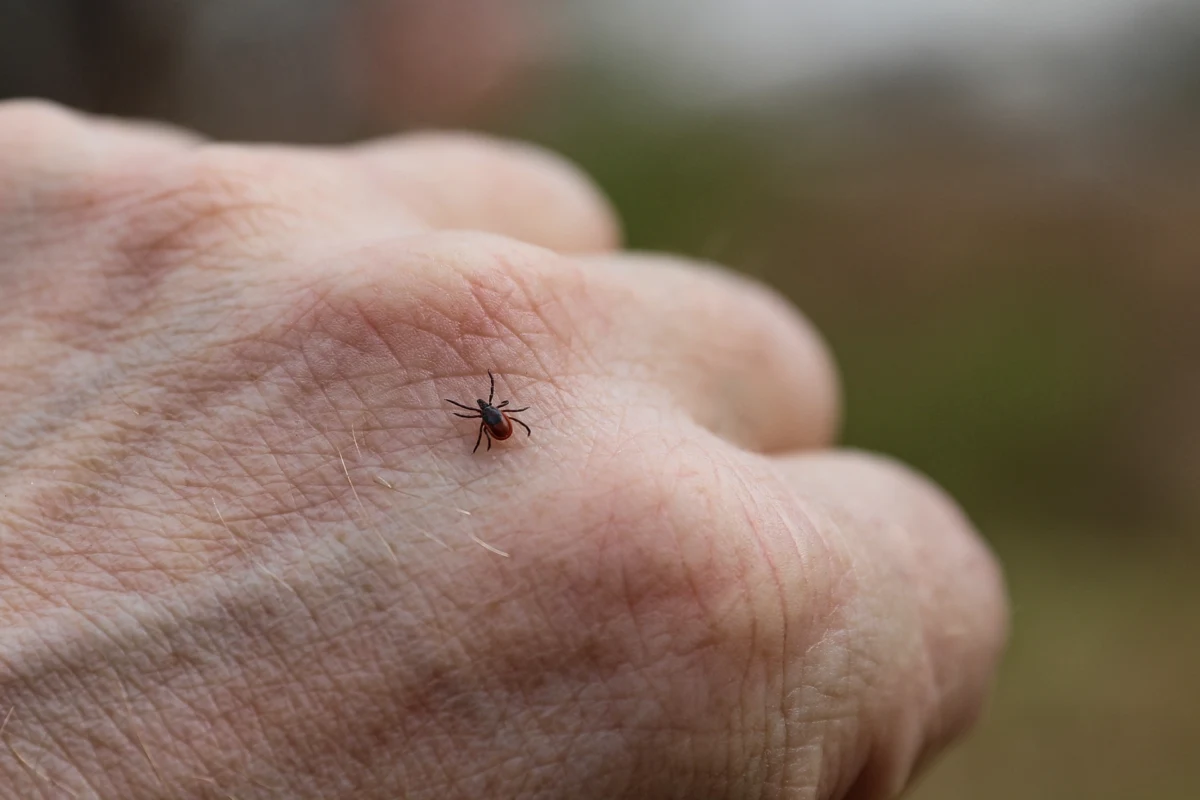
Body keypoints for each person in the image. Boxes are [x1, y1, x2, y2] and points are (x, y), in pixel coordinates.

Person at [0, 99, 1007, 798]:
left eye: (493, 414)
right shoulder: (494, 415)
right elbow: (493, 418)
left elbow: (490, 422)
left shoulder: (487, 418)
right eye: (489, 414)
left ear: (496, 414)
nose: (488, 418)